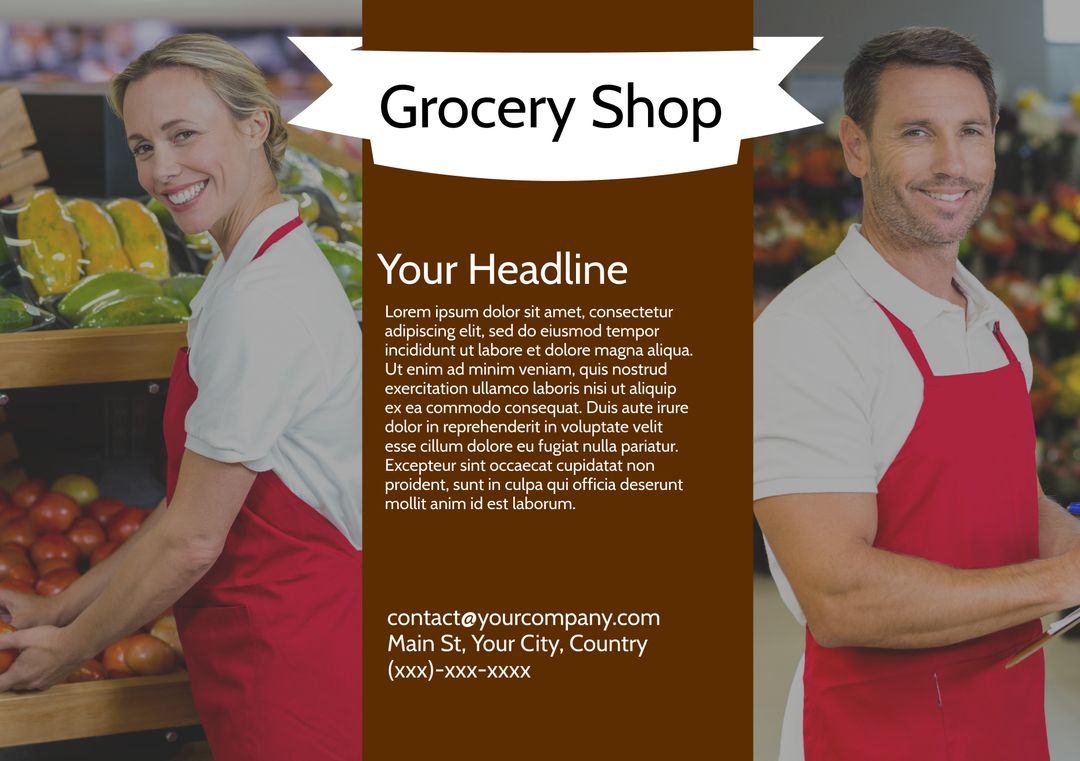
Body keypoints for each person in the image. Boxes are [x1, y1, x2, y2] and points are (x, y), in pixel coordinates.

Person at [0, 34, 362, 761]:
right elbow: (191, 502)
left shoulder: (262, 301)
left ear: (256, 123)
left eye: (183, 135)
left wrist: (69, 648)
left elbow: (193, 540)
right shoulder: (250, 266)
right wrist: (60, 604)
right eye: (141, 146)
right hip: (267, 644)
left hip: (296, 668)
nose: (162, 170)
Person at [754, 27, 1080, 761]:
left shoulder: (996, 323)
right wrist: (1061, 577)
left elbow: (1009, 503)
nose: (951, 162)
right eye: (915, 132)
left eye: (970, 130)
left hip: (1009, 722)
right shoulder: (809, 333)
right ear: (857, 147)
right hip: (874, 734)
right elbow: (839, 596)